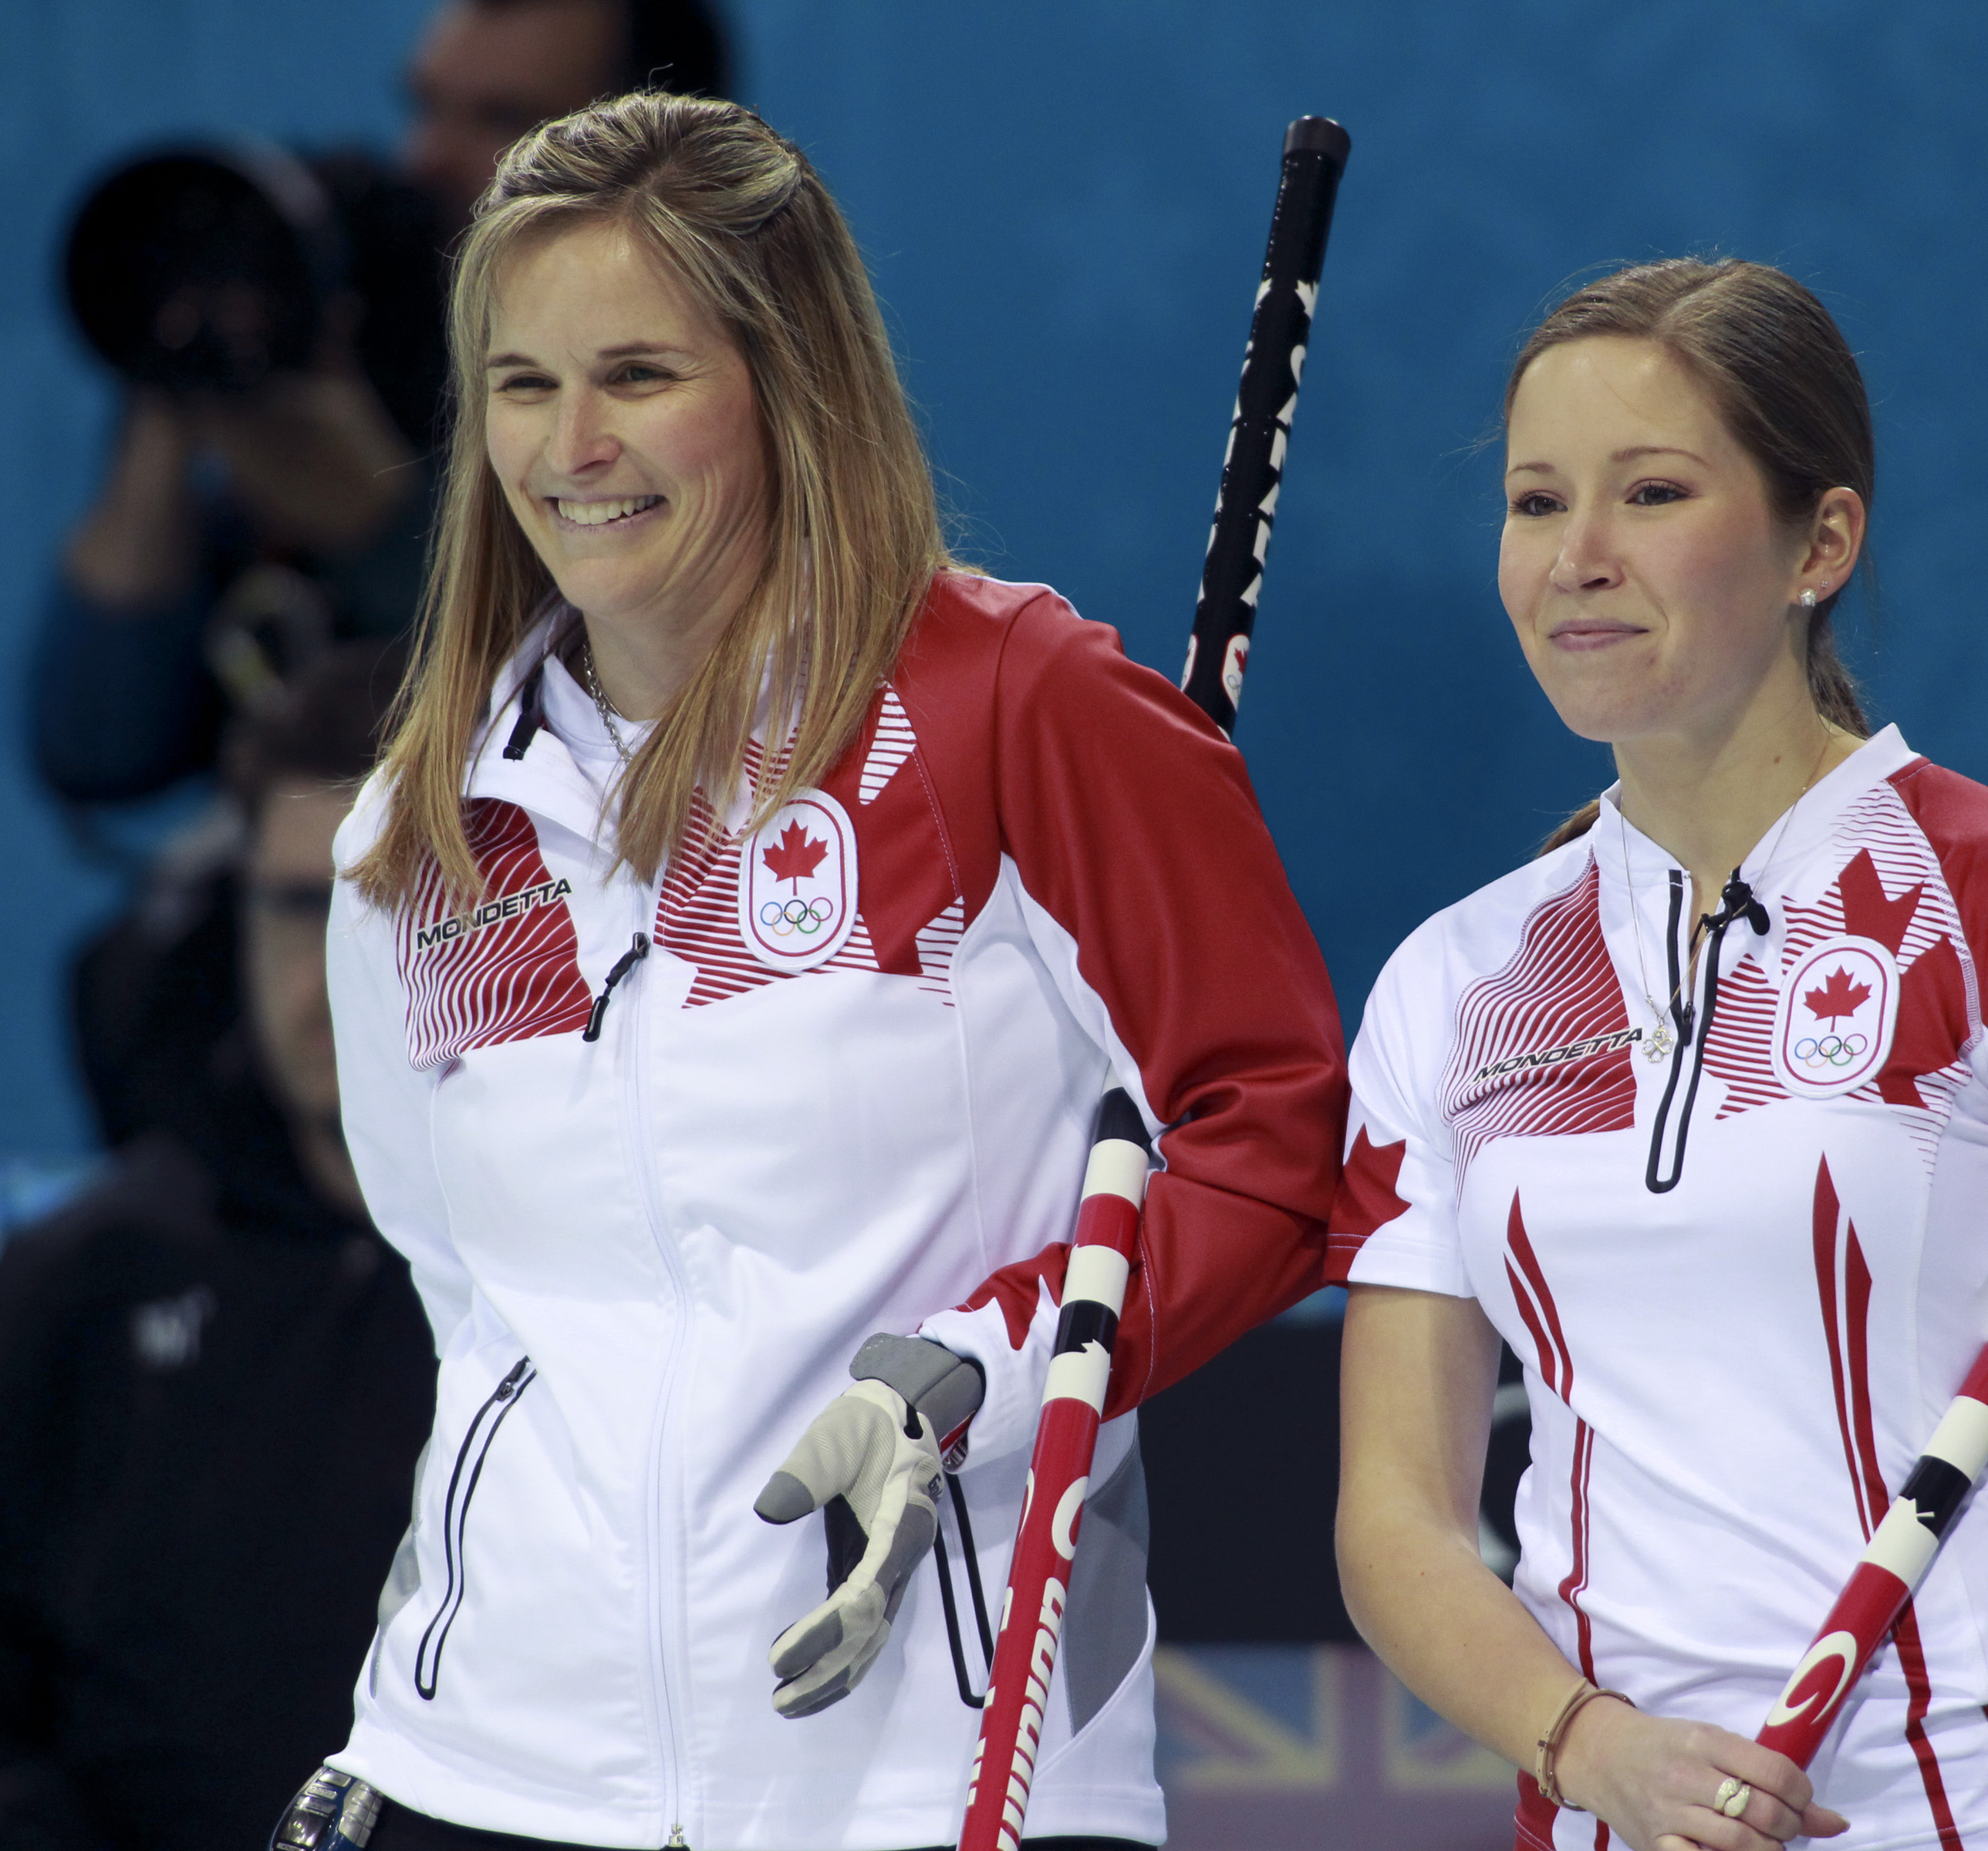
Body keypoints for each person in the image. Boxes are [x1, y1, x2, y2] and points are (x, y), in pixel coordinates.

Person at [306, 93, 1345, 1851]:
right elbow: (463, 1293)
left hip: (940, 1766)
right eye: (520, 381)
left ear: (786, 379)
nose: (573, 444)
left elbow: (1279, 1146)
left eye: (639, 372)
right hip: (485, 1767)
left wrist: (969, 1367)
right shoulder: (426, 824)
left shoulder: (1014, 706)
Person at [1331, 260, 1988, 1851]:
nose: (1581, 560)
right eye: (1537, 502)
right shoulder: (1456, 978)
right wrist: (1588, 1745)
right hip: (1610, 1816)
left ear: (1819, 542)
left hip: (1981, 1806)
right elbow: (1393, 1520)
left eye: (1654, 493)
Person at [0, 642, 436, 1851]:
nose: (338, 969)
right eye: (301, 905)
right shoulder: (88, 1289)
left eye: (391, 906)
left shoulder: (600, 1295)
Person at [36, 0, 730, 810]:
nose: (428, 159)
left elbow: (631, 729)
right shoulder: (352, 355)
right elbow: (95, 751)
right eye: (424, 107)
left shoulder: (716, 407)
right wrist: (167, 421)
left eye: (504, 120)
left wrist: (381, 525)